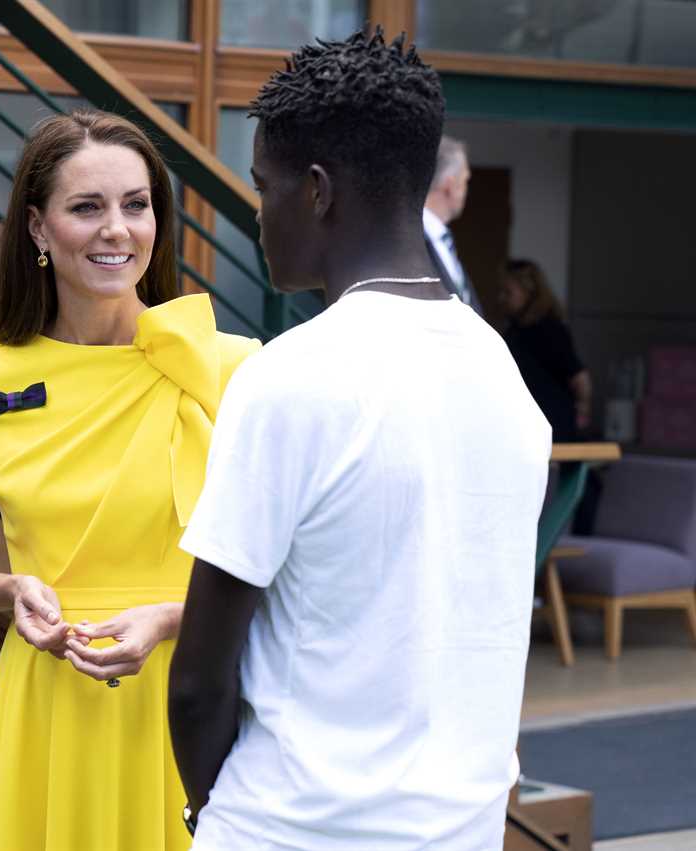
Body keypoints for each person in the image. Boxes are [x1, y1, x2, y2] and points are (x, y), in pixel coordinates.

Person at [169, 30, 552, 849]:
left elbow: (199, 682)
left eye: (262, 185)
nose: (255, 211)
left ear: (316, 191)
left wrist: (212, 815)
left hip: (287, 828)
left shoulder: (289, 377)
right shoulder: (505, 379)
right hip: (462, 829)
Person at [0, 109, 259, 851]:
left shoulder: (230, 366)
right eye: (87, 207)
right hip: (44, 704)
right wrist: (8, 590)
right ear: (38, 228)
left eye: (137, 205)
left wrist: (169, 619)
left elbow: (284, 570)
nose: (117, 230)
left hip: (184, 698)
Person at [499, 257, 592, 442]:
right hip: (525, 422)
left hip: (551, 424)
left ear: (528, 292)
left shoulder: (549, 330)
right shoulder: (515, 330)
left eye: (508, 292)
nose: (502, 298)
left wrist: (583, 410)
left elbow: (579, 377)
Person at [423, 135, 484, 314]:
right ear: (450, 185)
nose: (467, 191)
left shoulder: (443, 240)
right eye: (465, 181)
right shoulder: (410, 237)